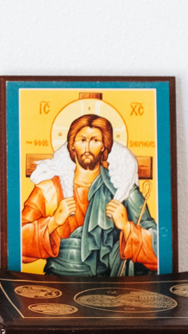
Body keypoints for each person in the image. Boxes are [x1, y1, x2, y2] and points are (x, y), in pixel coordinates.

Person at [19, 114, 158, 276]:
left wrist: (126, 226)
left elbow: (159, 249)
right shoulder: (48, 190)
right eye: (82, 140)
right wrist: (53, 222)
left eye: (95, 141)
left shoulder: (122, 190)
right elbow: (16, 242)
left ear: (104, 147)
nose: (87, 147)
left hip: (106, 287)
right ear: (72, 146)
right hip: (56, 283)